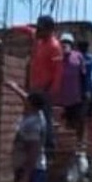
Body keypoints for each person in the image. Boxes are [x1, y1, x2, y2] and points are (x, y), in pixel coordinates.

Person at [10, 15, 63, 149]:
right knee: (31, 114)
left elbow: (58, 71)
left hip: (45, 88)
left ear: (49, 30)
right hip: (35, 85)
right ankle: (30, 142)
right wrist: (13, 28)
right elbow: (28, 30)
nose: (38, 31)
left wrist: (52, 91)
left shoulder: (54, 46)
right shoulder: (38, 38)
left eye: (41, 29)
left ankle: (48, 144)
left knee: (45, 116)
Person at [6, 81, 48, 182]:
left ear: (31, 104)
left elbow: (34, 151)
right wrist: (14, 87)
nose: (24, 102)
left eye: (27, 101)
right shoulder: (37, 113)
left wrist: (26, 177)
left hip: (32, 170)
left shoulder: (33, 124)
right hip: (29, 169)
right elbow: (26, 98)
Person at [57, 33, 88, 144]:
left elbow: (83, 76)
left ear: (71, 44)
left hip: (76, 98)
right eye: (63, 42)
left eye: (68, 42)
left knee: (77, 123)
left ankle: (78, 145)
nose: (65, 44)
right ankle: (65, 145)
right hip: (60, 100)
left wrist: (84, 93)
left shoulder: (78, 56)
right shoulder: (56, 58)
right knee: (62, 125)